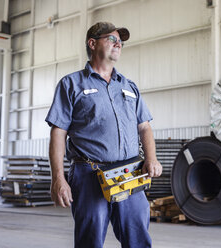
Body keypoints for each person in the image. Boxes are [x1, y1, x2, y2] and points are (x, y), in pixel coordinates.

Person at [45, 22, 162, 248]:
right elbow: (58, 133)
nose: (118, 44)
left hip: (130, 174)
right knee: (90, 240)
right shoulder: (71, 84)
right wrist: (58, 178)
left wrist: (152, 158)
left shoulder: (129, 86)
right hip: (89, 174)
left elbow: (144, 127)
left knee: (138, 238)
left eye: (121, 41)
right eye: (112, 39)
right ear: (92, 43)